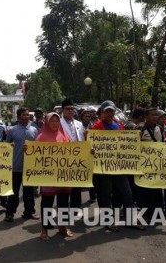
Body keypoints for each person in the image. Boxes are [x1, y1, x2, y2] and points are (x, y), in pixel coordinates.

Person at [92, 100, 144, 231]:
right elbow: (93, 144)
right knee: (106, 194)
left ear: (115, 112)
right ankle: (108, 220)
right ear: (102, 113)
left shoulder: (119, 125)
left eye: (112, 111)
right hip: (104, 168)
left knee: (127, 192)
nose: (109, 113)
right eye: (107, 111)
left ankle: (130, 219)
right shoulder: (97, 126)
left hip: (119, 167)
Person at [37, 112, 74, 240]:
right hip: (48, 178)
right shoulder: (41, 137)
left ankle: (62, 227)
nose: (54, 124)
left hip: (63, 177)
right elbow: (34, 155)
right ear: (46, 122)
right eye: (51, 121)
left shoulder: (64, 136)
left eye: (57, 121)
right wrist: (27, 149)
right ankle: (44, 230)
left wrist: (89, 152)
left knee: (63, 203)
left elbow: (74, 153)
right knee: (47, 203)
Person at [5, 107, 39, 222]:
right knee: (13, 193)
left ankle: (29, 212)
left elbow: (38, 147)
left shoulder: (34, 130)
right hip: (15, 167)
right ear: (19, 117)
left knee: (29, 193)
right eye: (24, 115)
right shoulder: (12, 130)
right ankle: (9, 213)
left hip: (29, 168)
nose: (27, 117)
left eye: (28, 115)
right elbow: (6, 147)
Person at [59, 99, 85, 215]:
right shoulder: (57, 123)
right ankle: (63, 213)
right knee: (64, 189)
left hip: (78, 160)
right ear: (62, 110)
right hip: (63, 160)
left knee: (77, 188)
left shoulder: (79, 124)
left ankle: (75, 210)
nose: (70, 111)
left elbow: (83, 141)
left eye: (72, 108)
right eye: (68, 109)